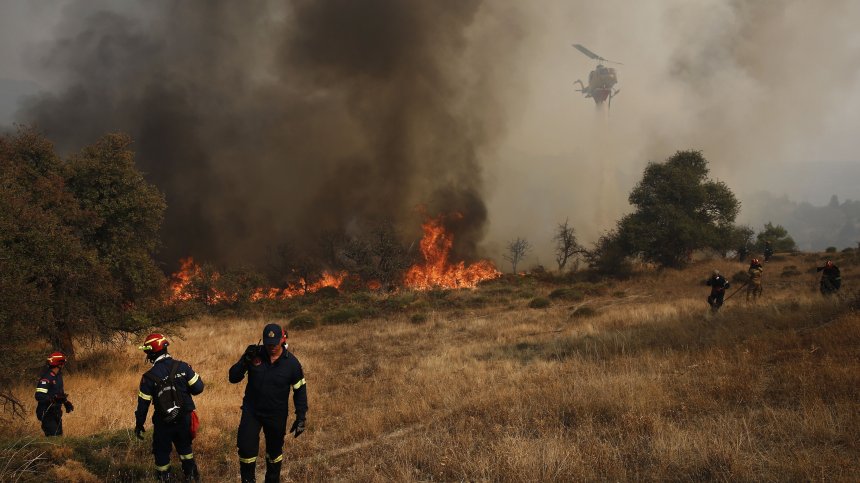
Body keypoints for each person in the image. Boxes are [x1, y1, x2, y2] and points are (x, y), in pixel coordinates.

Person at [229, 324, 307, 483]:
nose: (271, 347)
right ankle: (248, 480)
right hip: (252, 411)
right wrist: (244, 361)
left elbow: (300, 389)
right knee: (246, 449)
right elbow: (233, 378)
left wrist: (301, 416)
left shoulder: (292, 363)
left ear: (282, 340)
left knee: (274, 452)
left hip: (276, 414)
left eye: (275, 343)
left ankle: (272, 480)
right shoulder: (254, 354)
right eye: (268, 343)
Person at [134, 333, 204, 482]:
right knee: (185, 449)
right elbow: (198, 388)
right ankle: (192, 477)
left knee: (161, 453)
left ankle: (164, 478)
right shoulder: (183, 367)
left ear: (152, 352)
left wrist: (139, 424)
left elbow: (142, 406)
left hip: (163, 422)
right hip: (184, 418)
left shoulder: (148, 377)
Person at [35, 352, 73, 437]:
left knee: (59, 436)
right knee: (53, 437)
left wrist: (66, 402)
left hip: (56, 411)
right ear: (59, 364)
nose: (64, 365)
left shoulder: (58, 376)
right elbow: (39, 396)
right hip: (47, 412)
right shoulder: (46, 378)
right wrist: (52, 399)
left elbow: (59, 393)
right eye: (63, 363)